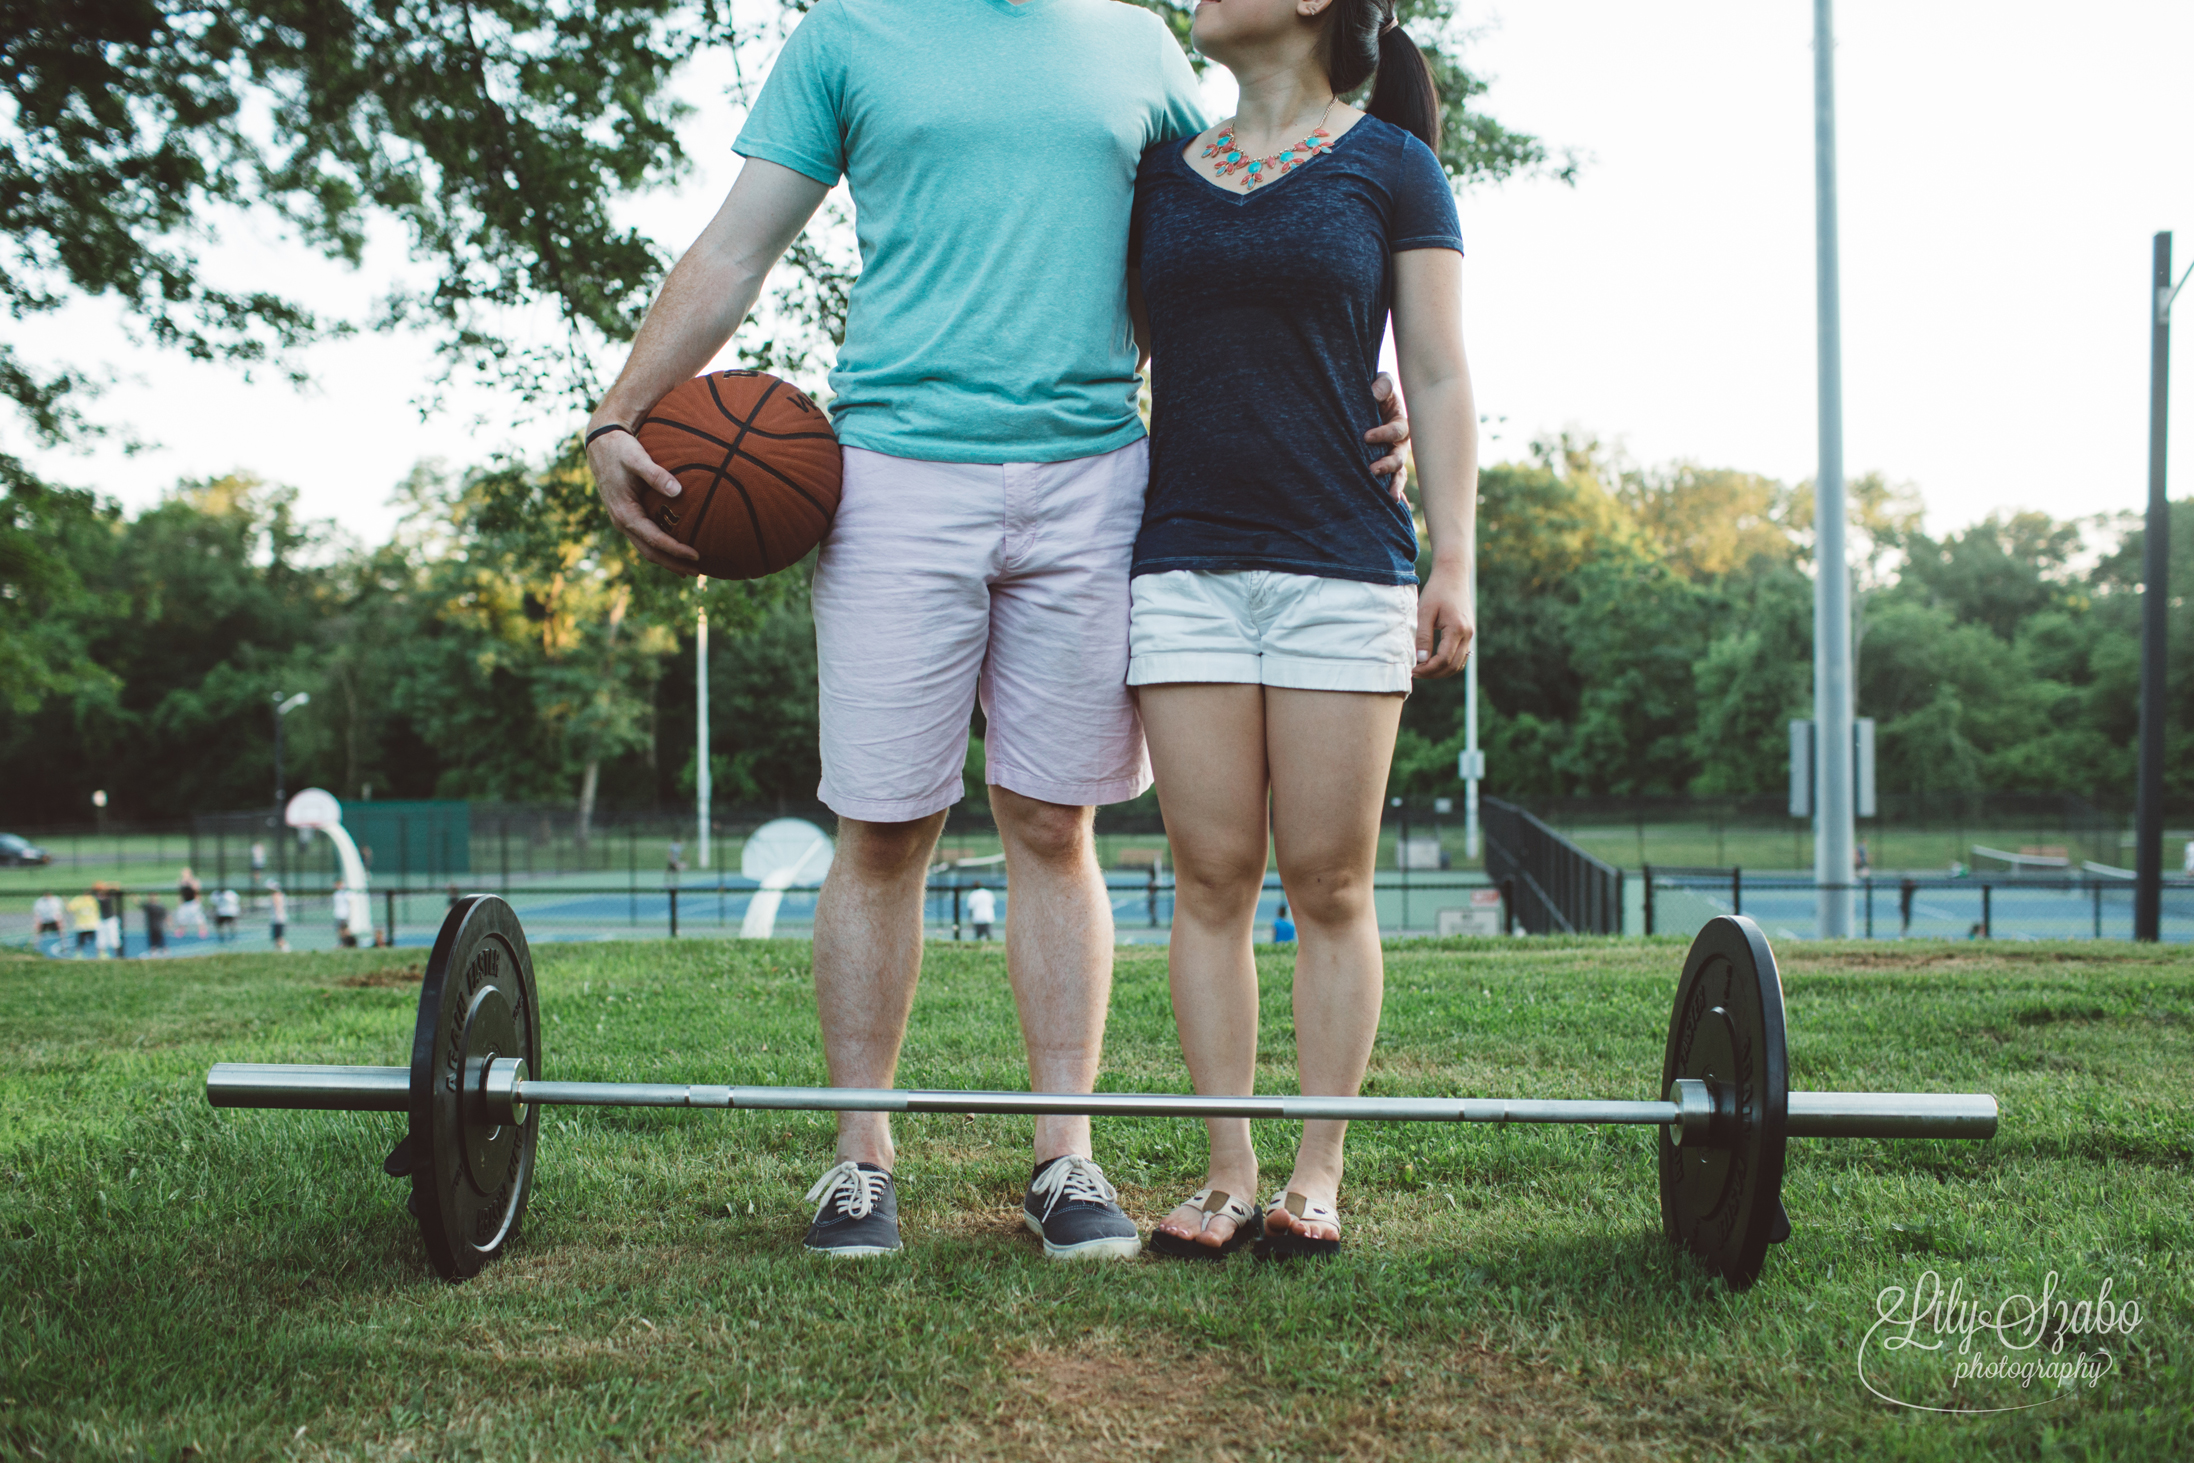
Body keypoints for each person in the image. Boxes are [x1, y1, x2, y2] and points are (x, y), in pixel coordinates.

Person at [587, 0, 1414, 1261]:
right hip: (892, 471)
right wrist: (615, 416)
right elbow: (734, 247)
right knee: (882, 824)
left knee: (1051, 819)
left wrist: (1357, 369)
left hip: (1093, 475)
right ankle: (860, 1158)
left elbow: (1229, 234)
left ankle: (1064, 1155)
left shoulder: (1139, 47)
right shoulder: (845, 38)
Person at [1135, 0, 1472, 1262]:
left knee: (1329, 883)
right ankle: (1226, 1174)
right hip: (1182, 566)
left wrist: (1455, 557)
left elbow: (1435, 372)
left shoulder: (1393, 165)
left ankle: (1314, 1176)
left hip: (1343, 566)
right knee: (1210, 877)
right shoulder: (1161, 174)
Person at [174, 867, 209, 939]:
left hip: (193, 902)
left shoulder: (194, 881)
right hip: (185, 902)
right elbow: (180, 892)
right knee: (182, 917)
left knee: (198, 918)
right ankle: (181, 930)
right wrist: (179, 901)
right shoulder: (181, 882)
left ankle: (202, 930)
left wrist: (198, 900)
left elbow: (197, 890)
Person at [95, 883, 125, 959]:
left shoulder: (109, 895)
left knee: (114, 939)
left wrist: (106, 887)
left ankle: (118, 956)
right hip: (101, 920)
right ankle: (101, 955)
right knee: (100, 940)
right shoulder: (97, 896)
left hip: (110, 920)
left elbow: (117, 887)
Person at [67, 889, 100, 955]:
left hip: (81, 924)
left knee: (80, 941)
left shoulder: (78, 900)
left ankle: (78, 954)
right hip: (92, 924)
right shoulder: (93, 900)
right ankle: (99, 954)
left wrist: (66, 900)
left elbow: (69, 908)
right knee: (96, 941)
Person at [268, 879, 290, 952]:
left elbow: (277, 907)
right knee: (277, 938)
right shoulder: (281, 895)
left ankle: (286, 949)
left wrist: (277, 917)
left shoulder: (276, 896)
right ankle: (278, 951)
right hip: (279, 919)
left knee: (279, 938)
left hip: (278, 920)